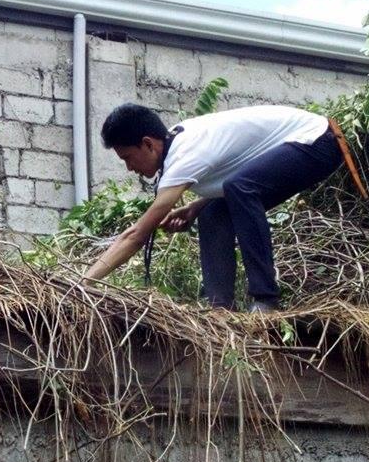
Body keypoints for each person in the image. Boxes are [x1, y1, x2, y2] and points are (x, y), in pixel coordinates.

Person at [83, 103, 344, 312]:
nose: (129, 168)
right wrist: (196, 206)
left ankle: (266, 300)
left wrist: (82, 284)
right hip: (302, 146)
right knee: (214, 211)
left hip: (318, 140)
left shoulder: (184, 156)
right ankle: (220, 309)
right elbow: (238, 163)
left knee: (239, 187)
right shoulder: (179, 143)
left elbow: (136, 235)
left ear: (148, 143)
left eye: (128, 158)